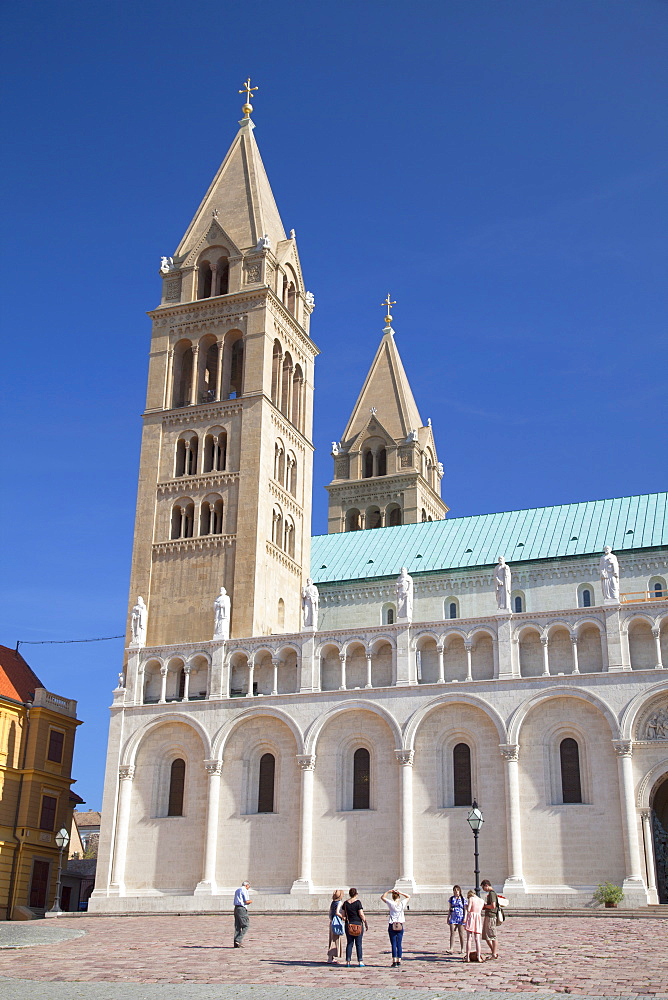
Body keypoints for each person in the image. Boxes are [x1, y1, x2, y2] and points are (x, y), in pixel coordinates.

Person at [380, 887, 410, 969]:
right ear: (399, 897)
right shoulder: (402, 903)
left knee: (393, 943)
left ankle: (394, 961)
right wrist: (401, 892)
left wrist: (388, 891)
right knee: (399, 943)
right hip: (400, 925)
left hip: (392, 924)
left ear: (393, 897)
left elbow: (382, 897)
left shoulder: (391, 903)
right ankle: (399, 960)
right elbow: (408, 896)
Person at [342, 887, 368, 967]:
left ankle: (348, 961)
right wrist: (365, 922)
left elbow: (343, 916)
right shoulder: (358, 903)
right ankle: (360, 961)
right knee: (358, 943)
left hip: (348, 924)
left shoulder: (345, 903)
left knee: (349, 943)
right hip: (358, 924)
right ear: (356, 894)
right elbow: (361, 914)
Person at [481, 879, 499, 960]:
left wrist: (485, 906)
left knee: (492, 935)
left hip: (491, 916)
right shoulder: (490, 894)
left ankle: (494, 953)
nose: (483, 890)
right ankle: (493, 952)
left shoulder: (492, 894)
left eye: (483, 887)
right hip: (488, 915)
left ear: (486, 885)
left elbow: (493, 906)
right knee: (486, 936)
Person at [463, 889, 483, 962]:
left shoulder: (471, 899)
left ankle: (468, 957)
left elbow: (469, 909)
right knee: (477, 939)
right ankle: (478, 957)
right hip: (478, 918)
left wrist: (466, 907)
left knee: (469, 938)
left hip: (471, 918)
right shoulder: (481, 900)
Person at [446, 884, 466, 954]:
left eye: (457, 890)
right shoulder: (452, 899)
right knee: (452, 933)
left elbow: (465, 909)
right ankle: (451, 948)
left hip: (460, 917)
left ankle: (462, 948)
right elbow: (450, 908)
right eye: (455, 891)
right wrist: (448, 917)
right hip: (453, 917)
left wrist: (465, 917)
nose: (456, 892)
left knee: (461, 933)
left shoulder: (463, 899)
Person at [327, 889, 344, 963]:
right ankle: (330, 958)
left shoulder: (332, 903)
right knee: (335, 939)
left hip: (331, 922)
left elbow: (330, 912)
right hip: (336, 923)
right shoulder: (339, 903)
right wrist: (342, 917)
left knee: (331, 939)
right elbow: (337, 912)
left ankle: (331, 957)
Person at [233, 880, 252, 947]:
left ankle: (236, 943)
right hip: (242, 909)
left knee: (237, 926)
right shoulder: (244, 890)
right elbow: (246, 901)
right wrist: (251, 901)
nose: (248, 888)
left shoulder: (237, 890)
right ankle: (238, 940)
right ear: (246, 885)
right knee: (246, 925)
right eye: (248, 886)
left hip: (236, 908)